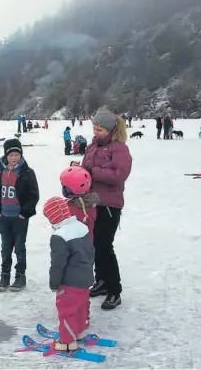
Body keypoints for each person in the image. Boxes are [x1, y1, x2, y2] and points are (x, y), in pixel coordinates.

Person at [71, 110, 132, 310]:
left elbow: (119, 175)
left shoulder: (119, 149)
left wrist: (92, 172)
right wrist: (78, 170)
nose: (96, 132)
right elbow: (86, 171)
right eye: (94, 128)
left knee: (105, 246)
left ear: (111, 130)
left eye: (100, 129)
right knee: (93, 245)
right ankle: (102, 281)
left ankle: (115, 290)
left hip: (109, 204)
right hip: (90, 202)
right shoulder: (91, 147)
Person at [0, 138, 39, 292]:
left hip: (19, 217)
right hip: (3, 216)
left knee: (19, 247)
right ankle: (5, 275)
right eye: (11, 155)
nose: (14, 158)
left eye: (17, 154)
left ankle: (20, 276)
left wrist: (25, 213)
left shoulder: (27, 172)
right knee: (5, 247)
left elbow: (33, 195)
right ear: (6, 155)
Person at [44, 196, 94, 353]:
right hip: (85, 278)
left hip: (70, 282)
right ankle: (78, 332)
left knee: (67, 310)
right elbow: (91, 252)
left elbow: (58, 264)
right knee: (81, 307)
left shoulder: (60, 236)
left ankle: (67, 342)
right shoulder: (81, 226)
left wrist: (54, 283)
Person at [59, 166, 100, 240]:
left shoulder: (74, 208)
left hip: (75, 247)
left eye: (65, 187)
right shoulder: (89, 204)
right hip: (86, 246)